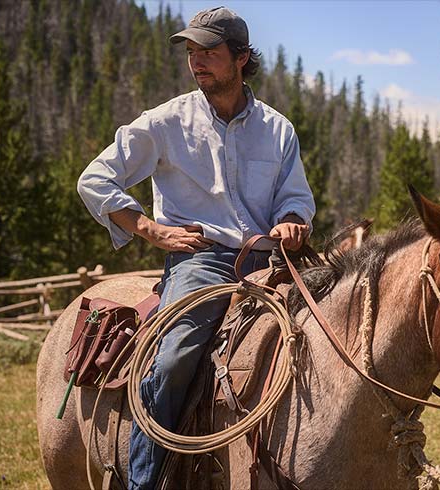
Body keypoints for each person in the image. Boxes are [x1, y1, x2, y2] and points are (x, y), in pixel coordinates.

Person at [74, 6, 316, 489]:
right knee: (173, 359)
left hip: (272, 262)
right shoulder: (166, 122)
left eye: (209, 52)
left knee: (331, 335)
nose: (197, 61)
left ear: (242, 58)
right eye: (191, 52)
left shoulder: (277, 128)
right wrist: (150, 228)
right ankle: (146, 480)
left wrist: (291, 220)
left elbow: (296, 197)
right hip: (201, 261)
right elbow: (95, 180)